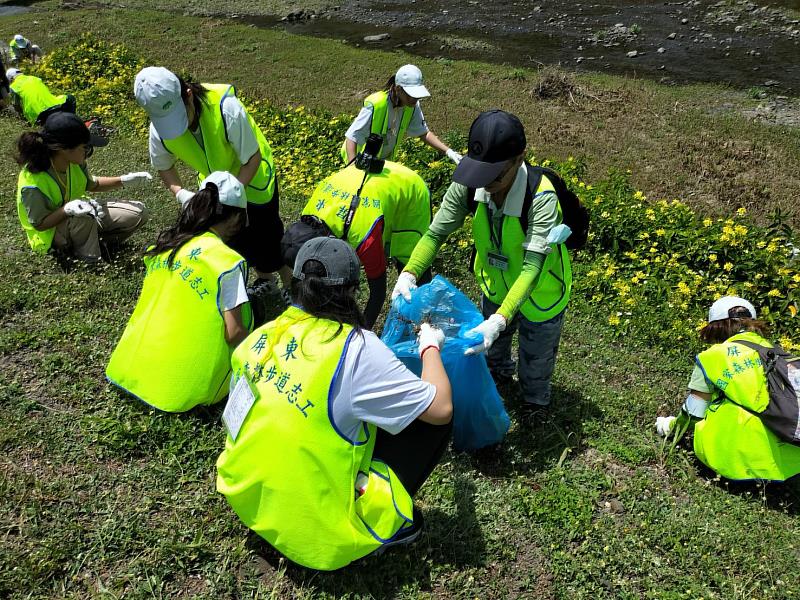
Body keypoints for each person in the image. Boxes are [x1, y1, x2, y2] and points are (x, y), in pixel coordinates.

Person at [217, 237, 453, 570]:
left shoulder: (265, 333)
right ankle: (382, 517)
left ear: (296, 282)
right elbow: (441, 408)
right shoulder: (357, 348)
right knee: (433, 420)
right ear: (352, 290)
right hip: (315, 537)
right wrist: (430, 344)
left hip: (243, 495)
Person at [392, 109, 573, 411]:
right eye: (481, 172)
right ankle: (498, 379)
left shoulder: (541, 197)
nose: (485, 182)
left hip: (542, 293)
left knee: (536, 358)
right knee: (491, 354)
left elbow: (532, 268)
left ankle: (534, 405)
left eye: (495, 174)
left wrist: (500, 320)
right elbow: (435, 234)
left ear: (519, 158)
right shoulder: (470, 181)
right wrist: (409, 272)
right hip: (496, 285)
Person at [134, 66, 290, 298]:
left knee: (267, 234)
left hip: (254, 178)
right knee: (236, 237)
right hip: (215, 187)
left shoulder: (226, 108)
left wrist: (233, 193)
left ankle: (290, 285)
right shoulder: (158, 128)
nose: (180, 127)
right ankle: (266, 280)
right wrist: (180, 194)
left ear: (187, 93)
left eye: (179, 116)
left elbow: (252, 159)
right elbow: (164, 166)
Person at [106, 172, 253, 413]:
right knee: (252, 309)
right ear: (236, 217)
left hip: (127, 370)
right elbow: (234, 333)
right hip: (183, 394)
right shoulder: (226, 262)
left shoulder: (167, 244)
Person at [283, 139, 432, 328]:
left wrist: (360, 335)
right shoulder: (308, 214)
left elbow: (378, 293)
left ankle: (424, 317)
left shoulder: (364, 238)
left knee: (410, 261)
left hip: (409, 189)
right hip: (370, 188)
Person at [656, 296, 800, 482]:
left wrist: (669, 427)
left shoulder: (714, 356)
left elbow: (694, 413)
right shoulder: (775, 352)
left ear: (715, 327)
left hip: (739, 464)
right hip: (792, 465)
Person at [15, 112, 150, 261]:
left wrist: (123, 180)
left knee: (138, 213)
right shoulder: (33, 183)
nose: (88, 151)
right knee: (85, 217)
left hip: (79, 217)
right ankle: (91, 261)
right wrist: (66, 210)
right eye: (84, 147)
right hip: (50, 235)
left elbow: (92, 184)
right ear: (64, 149)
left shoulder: (74, 162)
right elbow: (40, 224)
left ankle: (97, 242)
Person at [342, 64, 462, 165]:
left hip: (381, 163)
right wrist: (352, 168)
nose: (415, 99)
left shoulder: (412, 106)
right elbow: (352, 136)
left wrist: (448, 152)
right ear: (398, 89)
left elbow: (423, 132)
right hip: (358, 160)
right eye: (411, 95)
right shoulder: (376, 104)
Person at [6, 68, 77, 125]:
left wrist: (22, 118)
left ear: (11, 79)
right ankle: (73, 119)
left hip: (35, 116)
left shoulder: (13, 86)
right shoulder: (35, 78)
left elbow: (16, 106)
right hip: (54, 105)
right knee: (70, 98)